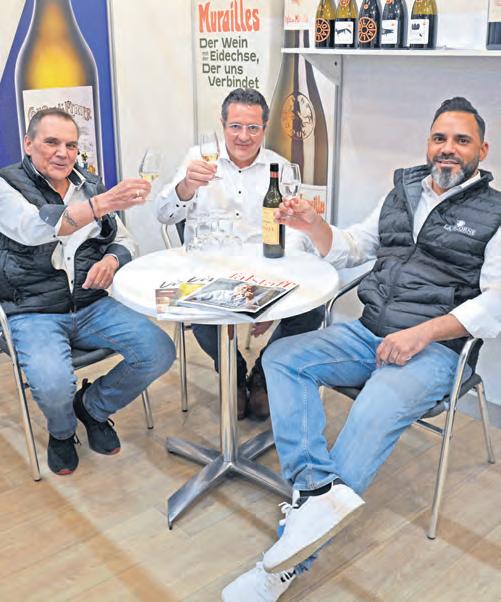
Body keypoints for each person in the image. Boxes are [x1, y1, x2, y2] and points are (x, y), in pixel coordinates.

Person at [222, 97, 501, 600]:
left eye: (462, 140)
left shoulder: (496, 214)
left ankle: (283, 566)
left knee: (371, 408)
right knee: (282, 357)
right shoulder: (403, 190)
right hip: (369, 331)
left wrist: (421, 334)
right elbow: (354, 245)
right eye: (439, 138)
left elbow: (495, 302)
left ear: (482, 150)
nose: (448, 149)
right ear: (428, 143)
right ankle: (316, 491)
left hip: (436, 349)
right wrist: (311, 225)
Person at [0, 108, 176, 476]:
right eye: (51, 142)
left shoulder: (88, 184)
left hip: (92, 304)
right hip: (33, 310)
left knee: (159, 350)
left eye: (70, 145)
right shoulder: (6, 186)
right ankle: (63, 433)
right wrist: (101, 204)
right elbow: (34, 229)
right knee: (53, 384)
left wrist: (112, 259)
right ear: (28, 144)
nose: (63, 153)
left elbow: (124, 238)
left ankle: (93, 407)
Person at [155, 88, 324, 420]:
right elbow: (163, 214)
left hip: (265, 273)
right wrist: (186, 187)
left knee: (311, 311)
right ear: (223, 125)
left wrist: (274, 297)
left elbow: (294, 233)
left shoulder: (279, 167)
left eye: (252, 128)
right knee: (199, 316)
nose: (243, 136)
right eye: (235, 126)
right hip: (209, 273)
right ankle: (231, 370)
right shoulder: (198, 159)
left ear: (264, 128)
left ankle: (263, 372)